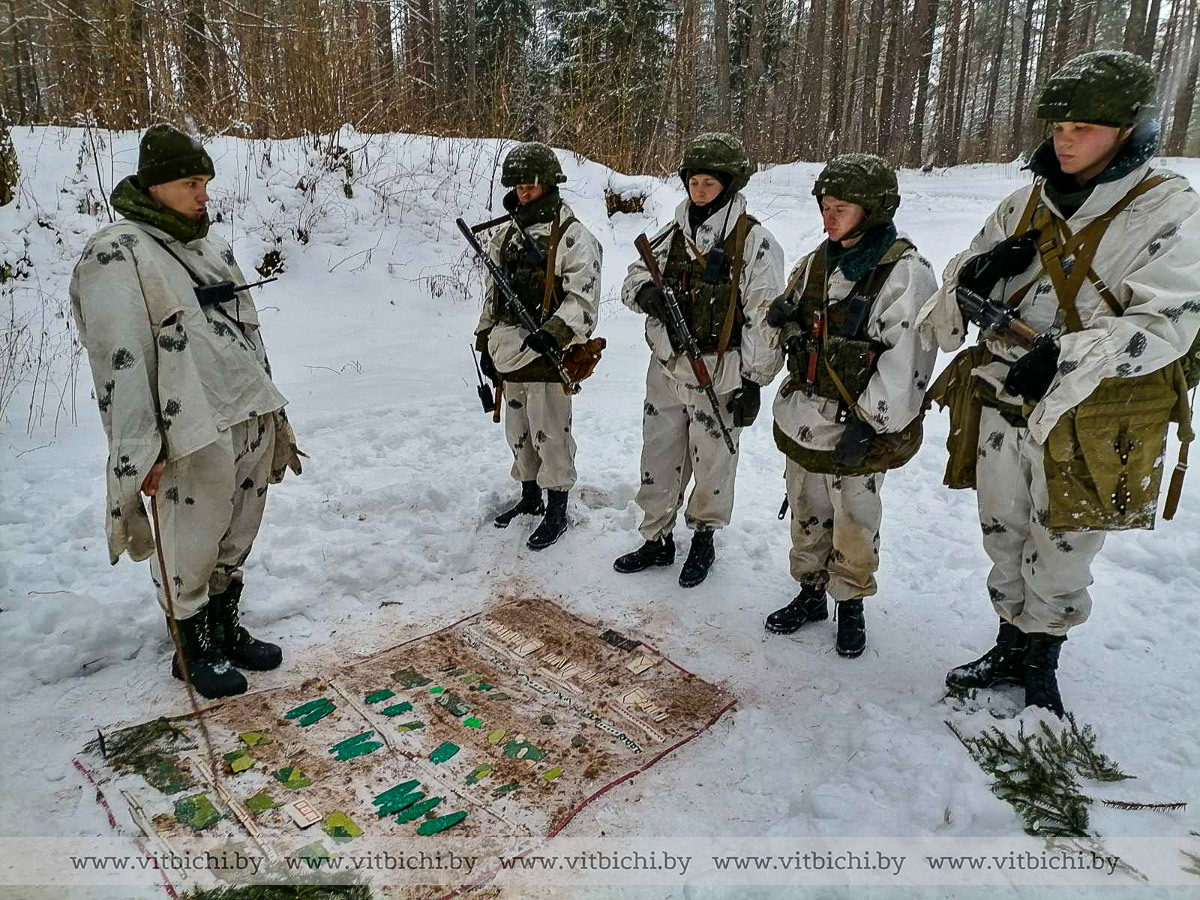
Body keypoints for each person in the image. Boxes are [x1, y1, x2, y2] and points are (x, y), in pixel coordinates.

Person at [918, 50, 1200, 715]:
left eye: (1087, 126)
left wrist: (1066, 355)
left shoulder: (1166, 211)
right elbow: (946, 310)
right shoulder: (1023, 203)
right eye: (1060, 123)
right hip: (1002, 401)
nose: (1066, 138)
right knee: (1003, 531)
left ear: (1131, 131)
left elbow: (1171, 323)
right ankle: (1008, 642)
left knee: (1065, 545)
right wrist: (978, 275)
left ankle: (1043, 658)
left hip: (1092, 417)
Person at [70, 123, 303, 699]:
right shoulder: (118, 252)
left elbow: (247, 331)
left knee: (238, 526)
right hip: (189, 425)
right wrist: (138, 451)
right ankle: (192, 644)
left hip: (246, 408)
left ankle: (225, 626)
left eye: (205, 182)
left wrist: (272, 412)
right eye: (191, 183)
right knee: (190, 537)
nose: (203, 194)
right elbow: (118, 364)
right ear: (155, 186)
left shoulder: (210, 244)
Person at [763, 154, 938, 657]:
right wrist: (780, 320)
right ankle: (811, 591)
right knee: (806, 510)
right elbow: (788, 326)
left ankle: (851, 602)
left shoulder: (904, 273)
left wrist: (871, 424)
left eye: (842, 207)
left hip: (855, 426)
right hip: (803, 420)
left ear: (875, 209)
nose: (829, 217)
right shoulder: (818, 261)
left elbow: (907, 360)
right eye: (825, 205)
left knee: (855, 518)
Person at [613, 133, 784, 588]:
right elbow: (630, 281)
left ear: (728, 185)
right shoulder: (672, 235)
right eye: (694, 180)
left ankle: (704, 538)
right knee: (659, 454)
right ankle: (657, 538)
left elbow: (764, 318)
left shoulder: (754, 243)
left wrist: (754, 381)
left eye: (710, 182)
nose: (700, 189)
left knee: (712, 461)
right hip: (667, 367)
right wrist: (646, 293)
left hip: (720, 370)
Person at [474, 142, 602, 550]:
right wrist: (484, 337)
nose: (525, 192)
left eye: (531, 185)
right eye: (519, 185)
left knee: (551, 432)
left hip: (548, 353)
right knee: (518, 431)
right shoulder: (507, 235)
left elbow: (583, 297)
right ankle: (529, 497)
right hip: (509, 348)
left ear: (548, 185)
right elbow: (493, 292)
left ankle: (557, 507)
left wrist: (556, 332)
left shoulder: (572, 236)